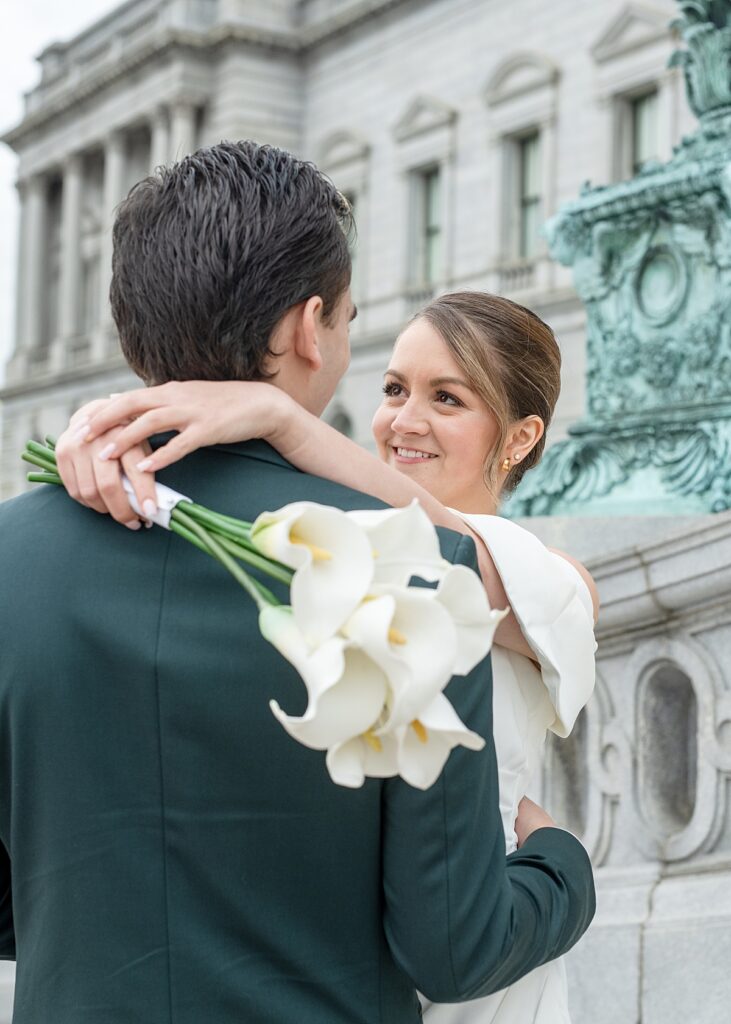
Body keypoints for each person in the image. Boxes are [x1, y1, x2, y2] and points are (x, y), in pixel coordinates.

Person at [0, 141, 595, 1024]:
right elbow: (453, 945)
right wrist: (560, 869)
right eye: (353, 324)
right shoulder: (415, 572)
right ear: (306, 329)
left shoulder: (13, 556)